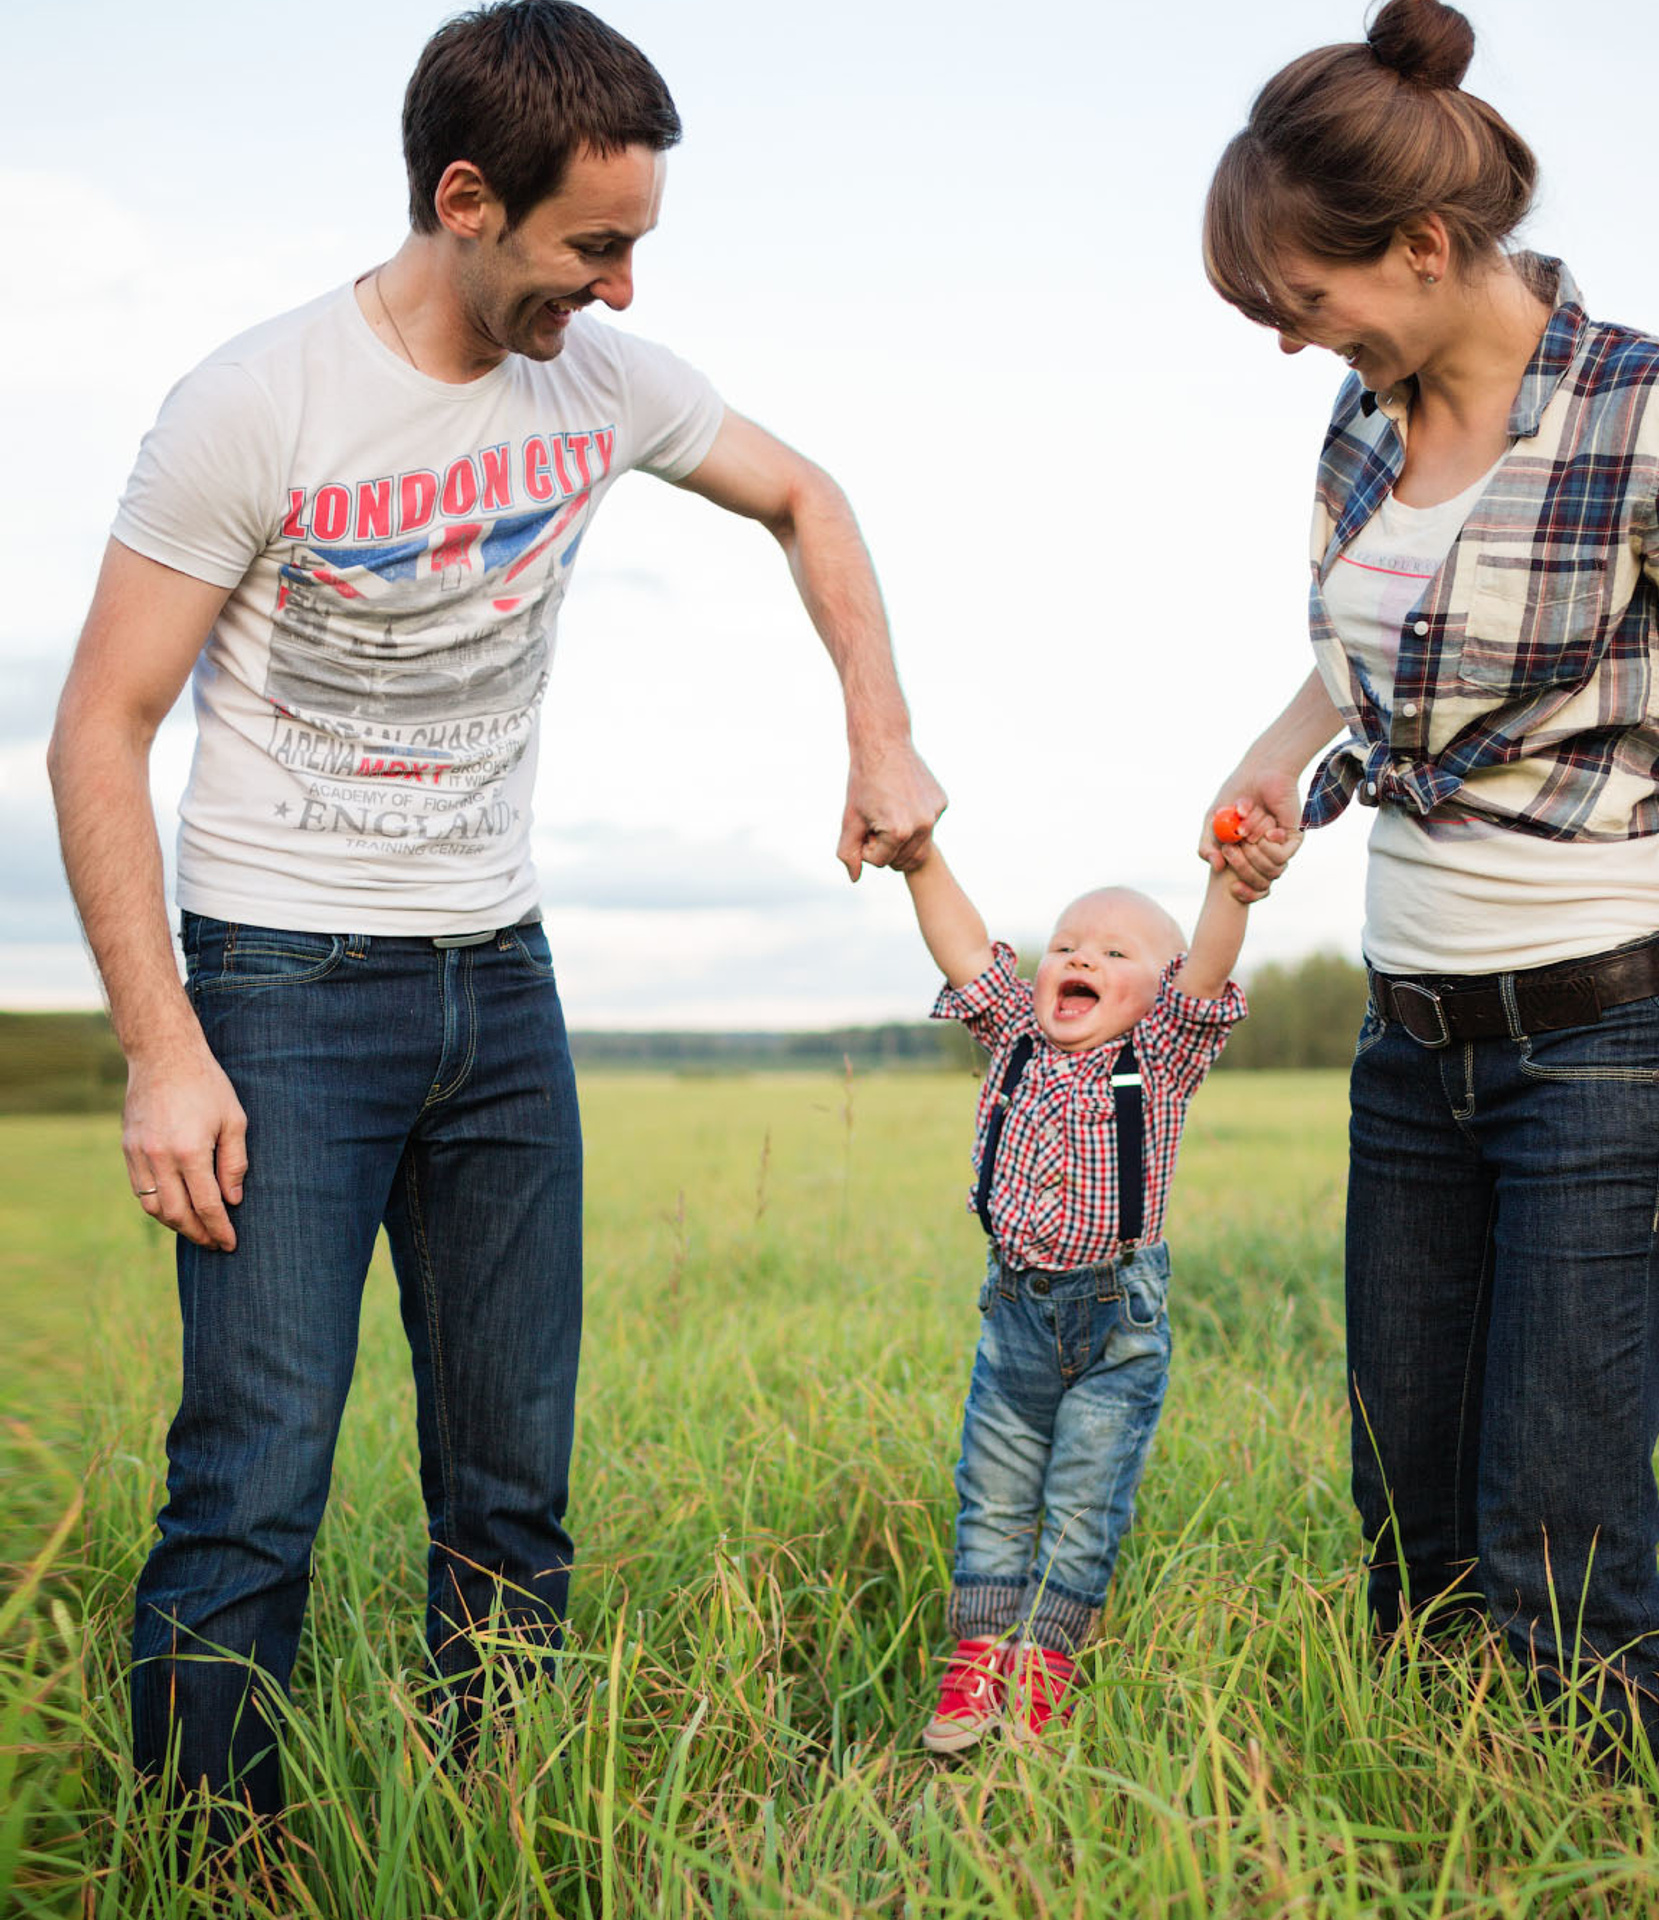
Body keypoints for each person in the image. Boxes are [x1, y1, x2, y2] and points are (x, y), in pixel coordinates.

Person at [45, 0, 943, 1834]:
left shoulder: (602, 387)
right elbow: (98, 728)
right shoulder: (256, 403)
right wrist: (163, 1048)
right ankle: (208, 1863)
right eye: (592, 246)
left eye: (637, 248)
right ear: (467, 198)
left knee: (510, 1485)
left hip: (503, 988)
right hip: (283, 986)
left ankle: (491, 1822)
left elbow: (807, 496)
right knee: (254, 1477)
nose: (617, 291)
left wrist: (880, 729)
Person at [1197, 0, 1659, 1777]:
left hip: (1608, 1046)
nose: (1293, 344)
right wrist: (1274, 760)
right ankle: (1438, 1826)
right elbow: (1366, 664)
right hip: (1407, 1047)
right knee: (1409, 1520)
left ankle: (1618, 1848)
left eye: (1305, 300)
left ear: (1425, 245)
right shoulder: (1365, 425)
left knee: (1561, 1536)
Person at [902, 843, 1256, 1751]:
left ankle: (1045, 1662)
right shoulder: (1014, 1037)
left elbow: (1209, 968)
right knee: (993, 1491)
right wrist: (921, 861)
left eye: (1114, 953)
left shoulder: (1164, 1055)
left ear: (1160, 990)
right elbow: (963, 950)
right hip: (1014, 1316)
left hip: (1116, 1324)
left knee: (1082, 1500)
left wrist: (1227, 884)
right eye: (1067, 945)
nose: (1082, 959)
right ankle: (979, 1655)